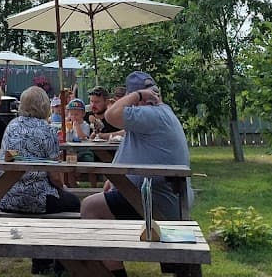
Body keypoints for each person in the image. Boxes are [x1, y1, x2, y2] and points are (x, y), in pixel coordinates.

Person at [80, 71, 194, 276]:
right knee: (100, 203)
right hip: (162, 197)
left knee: (90, 207)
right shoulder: (156, 116)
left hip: (158, 202)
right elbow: (128, 150)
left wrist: (139, 95)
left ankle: (113, 273)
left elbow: (111, 115)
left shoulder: (151, 114)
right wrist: (111, 178)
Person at [0, 86, 80, 273]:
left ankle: (41, 262)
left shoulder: (12, 126)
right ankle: (61, 263)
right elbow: (55, 176)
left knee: (54, 200)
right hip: (36, 199)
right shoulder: (47, 130)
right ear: (45, 106)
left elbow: (8, 157)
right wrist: (64, 188)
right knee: (74, 203)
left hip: (4, 195)